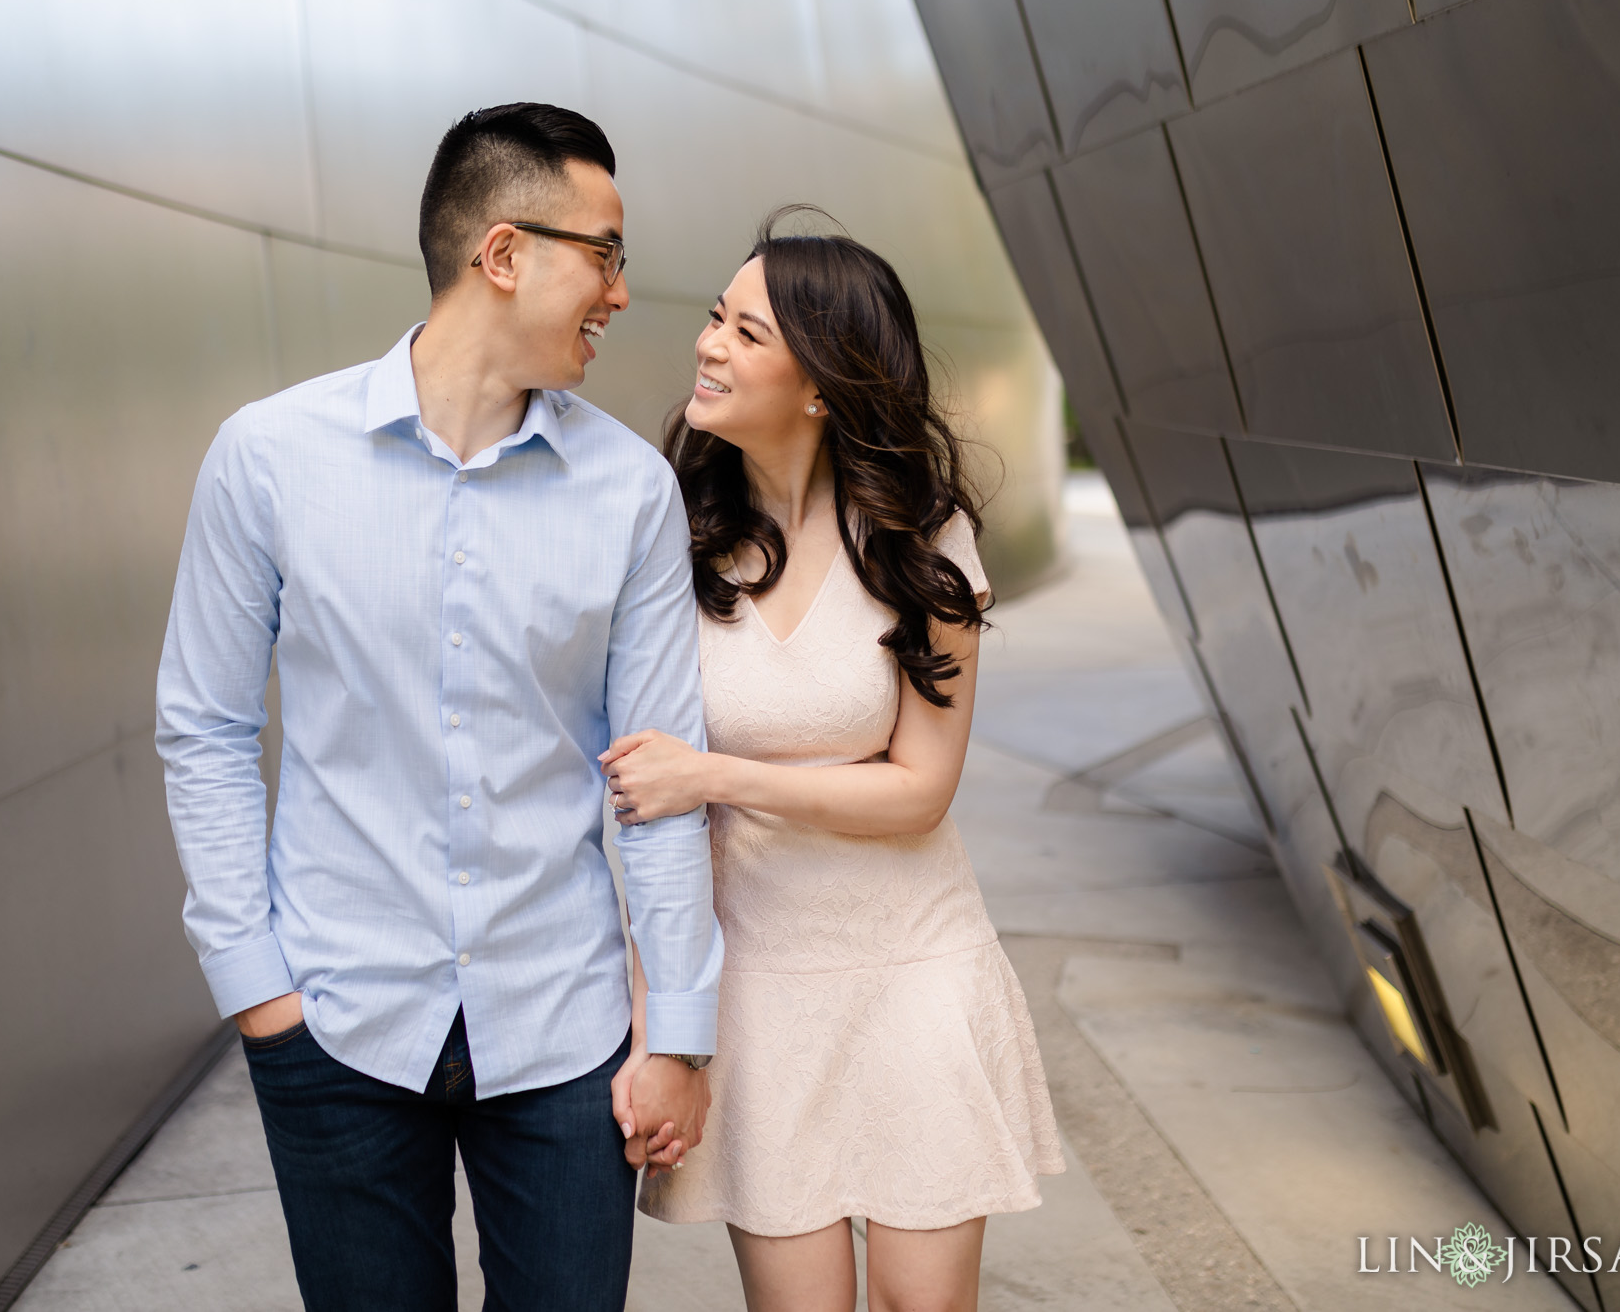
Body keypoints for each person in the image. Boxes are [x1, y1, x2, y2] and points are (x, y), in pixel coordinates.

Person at [154, 102, 721, 1312]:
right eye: (605, 254)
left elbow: (661, 777)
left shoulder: (629, 492)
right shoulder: (267, 459)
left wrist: (675, 1030)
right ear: (503, 254)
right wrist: (257, 989)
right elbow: (201, 726)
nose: (620, 293)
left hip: (565, 1031)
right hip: (334, 1020)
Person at [600, 214, 1065, 1312]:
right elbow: (636, 807)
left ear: (821, 380)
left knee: (923, 1303)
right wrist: (653, 1022)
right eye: (716, 317)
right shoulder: (669, 535)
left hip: (914, 966)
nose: (709, 344)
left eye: (746, 332)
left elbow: (918, 792)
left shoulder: (921, 538)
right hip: (758, 984)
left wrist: (718, 777)